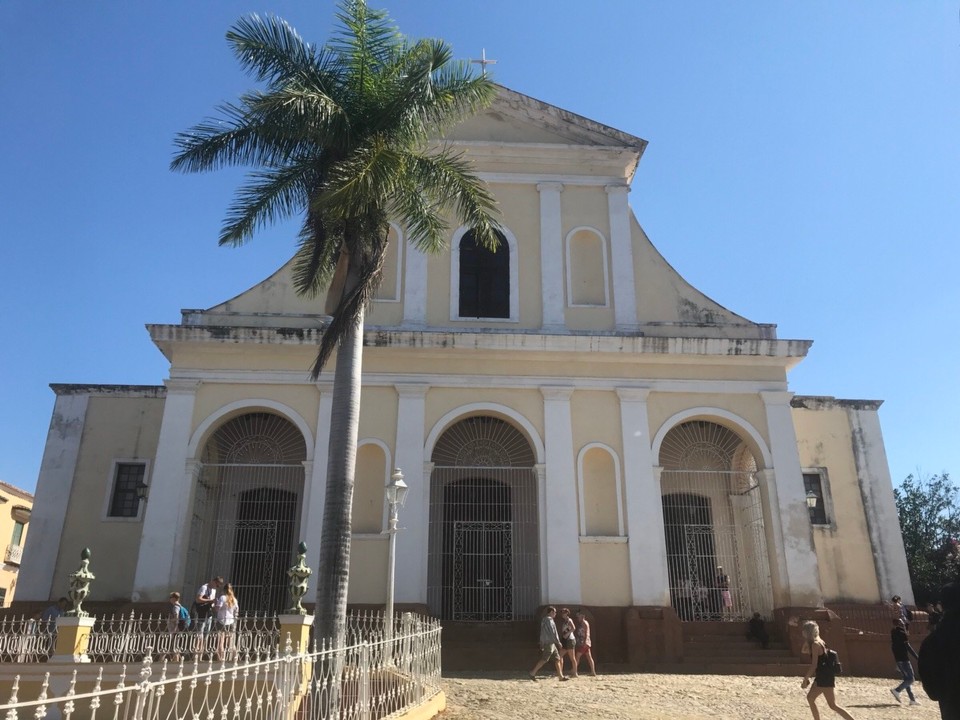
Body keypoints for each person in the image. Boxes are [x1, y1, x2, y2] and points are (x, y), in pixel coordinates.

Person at [800, 620, 855, 720]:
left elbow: (814, 665)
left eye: (804, 631)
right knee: (831, 704)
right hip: (826, 676)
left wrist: (806, 678)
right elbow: (804, 650)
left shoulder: (815, 645)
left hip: (823, 677)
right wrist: (808, 640)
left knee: (814, 699)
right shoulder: (820, 642)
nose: (802, 633)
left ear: (807, 632)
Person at [529, 606, 567, 681]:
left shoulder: (544, 620)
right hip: (549, 643)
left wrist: (542, 642)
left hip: (550, 642)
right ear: (551, 612)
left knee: (557, 659)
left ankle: (561, 676)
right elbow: (553, 632)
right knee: (544, 659)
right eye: (555, 612)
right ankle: (532, 673)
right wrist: (558, 642)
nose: (555, 614)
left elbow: (543, 633)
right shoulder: (549, 620)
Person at [889, 617, 920, 705]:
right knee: (911, 679)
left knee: (906, 679)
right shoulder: (902, 634)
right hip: (904, 659)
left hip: (898, 660)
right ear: (900, 624)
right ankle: (897, 690)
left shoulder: (893, 633)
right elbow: (908, 647)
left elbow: (893, 647)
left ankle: (912, 699)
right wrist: (917, 657)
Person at [215, 582, 239, 661]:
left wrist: (215, 604)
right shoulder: (234, 600)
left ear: (224, 590)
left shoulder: (222, 598)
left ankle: (221, 659)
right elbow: (236, 610)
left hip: (222, 620)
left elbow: (217, 608)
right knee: (231, 642)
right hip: (231, 621)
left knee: (221, 642)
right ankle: (236, 658)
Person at [556, 607, 578, 678]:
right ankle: (560, 672)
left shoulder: (569, 620)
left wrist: (567, 634)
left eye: (564, 613)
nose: (562, 614)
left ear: (567, 613)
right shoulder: (565, 621)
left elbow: (573, 628)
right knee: (559, 656)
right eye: (562, 613)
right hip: (565, 640)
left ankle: (575, 673)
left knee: (572, 657)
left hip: (570, 640)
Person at [574, 609, 596, 676]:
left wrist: (585, 641)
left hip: (583, 642)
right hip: (585, 642)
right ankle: (593, 671)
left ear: (582, 616)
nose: (578, 618)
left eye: (579, 617)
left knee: (577, 656)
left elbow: (586, 633)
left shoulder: (584, 623)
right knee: (589, 657)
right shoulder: (584, 623)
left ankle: (574, 670)